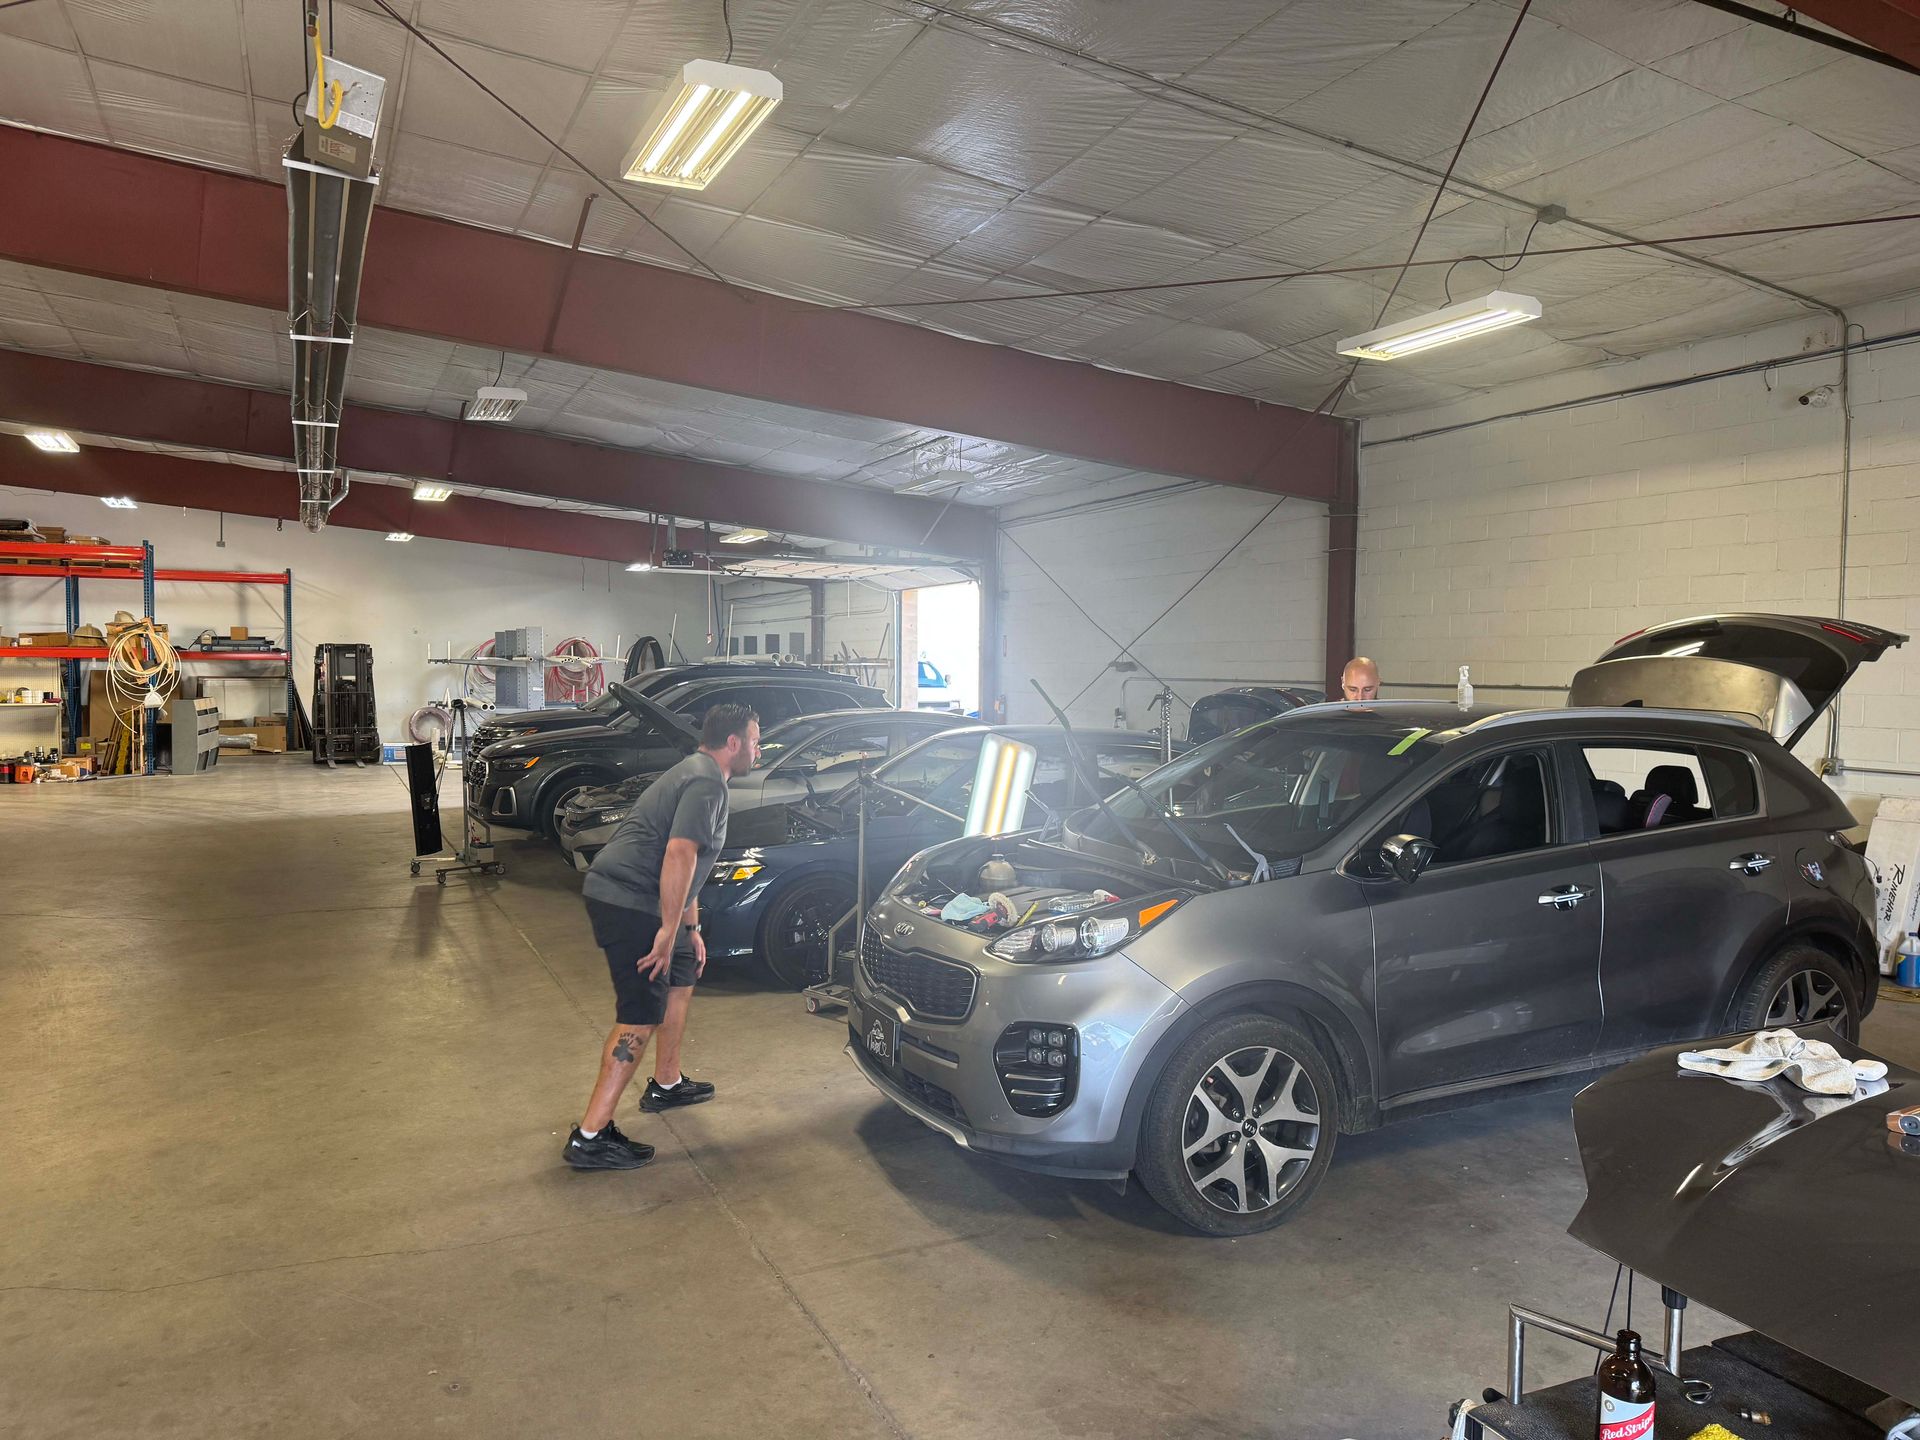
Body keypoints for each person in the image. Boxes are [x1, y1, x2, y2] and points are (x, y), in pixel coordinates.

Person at [563, 703, 761, 1171]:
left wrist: (689, 931)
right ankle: (591, 1137)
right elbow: (679, 854)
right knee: (640, 1011)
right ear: (733, 743)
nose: (758, 750)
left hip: (645, 898)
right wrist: (667, 931)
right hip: (627, 901)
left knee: (683, 972)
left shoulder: (702, 773)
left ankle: (666, 1084)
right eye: (755, 741)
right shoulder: (706, 782)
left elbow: (691, 869)